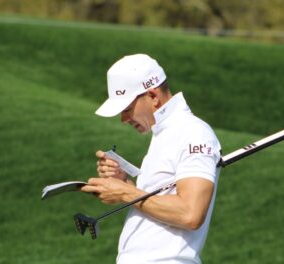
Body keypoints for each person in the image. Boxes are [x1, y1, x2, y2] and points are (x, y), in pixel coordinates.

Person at [81, 54, 221, 264]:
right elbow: (157, 200)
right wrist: (123, 182)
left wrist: (125, 192)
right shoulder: (165, 134)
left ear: (153, 96)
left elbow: (191, 213)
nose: (123, 119)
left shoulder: (193, 132)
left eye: (127, 109)